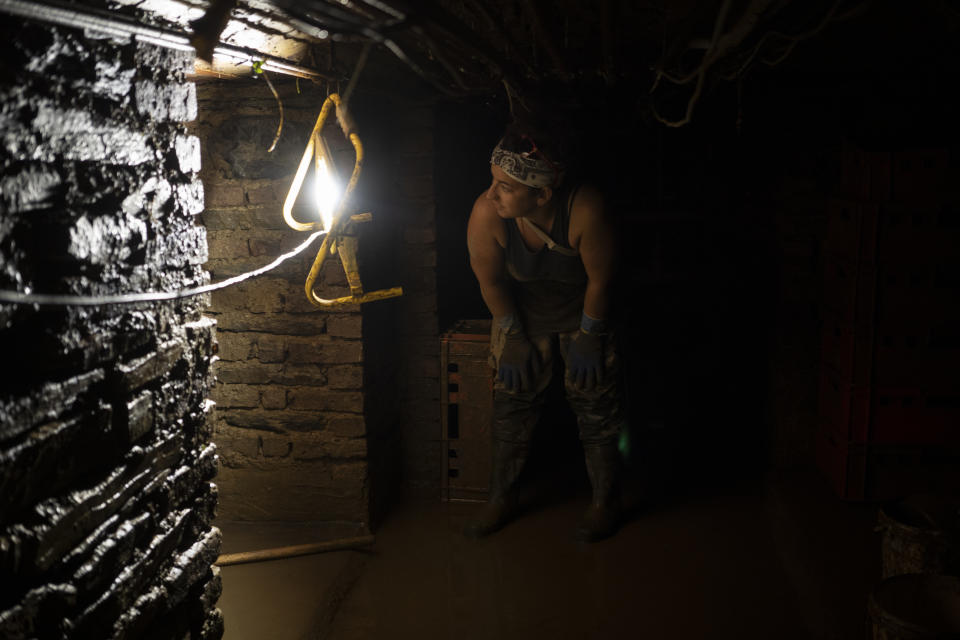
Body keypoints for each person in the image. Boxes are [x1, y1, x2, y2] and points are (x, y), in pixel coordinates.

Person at [464, 121, 626, 542]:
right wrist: (512, 336)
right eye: (493, 180)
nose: (491, 193)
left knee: (596, 404)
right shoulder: (488, 214)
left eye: (505, 186)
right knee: (511, 404)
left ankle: (604, 503)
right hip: (524, 314)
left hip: (584, 312)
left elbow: (601, 281)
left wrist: (591, 336)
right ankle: (501, 498)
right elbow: (491, 283)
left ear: (542, 194)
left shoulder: (584, 210)